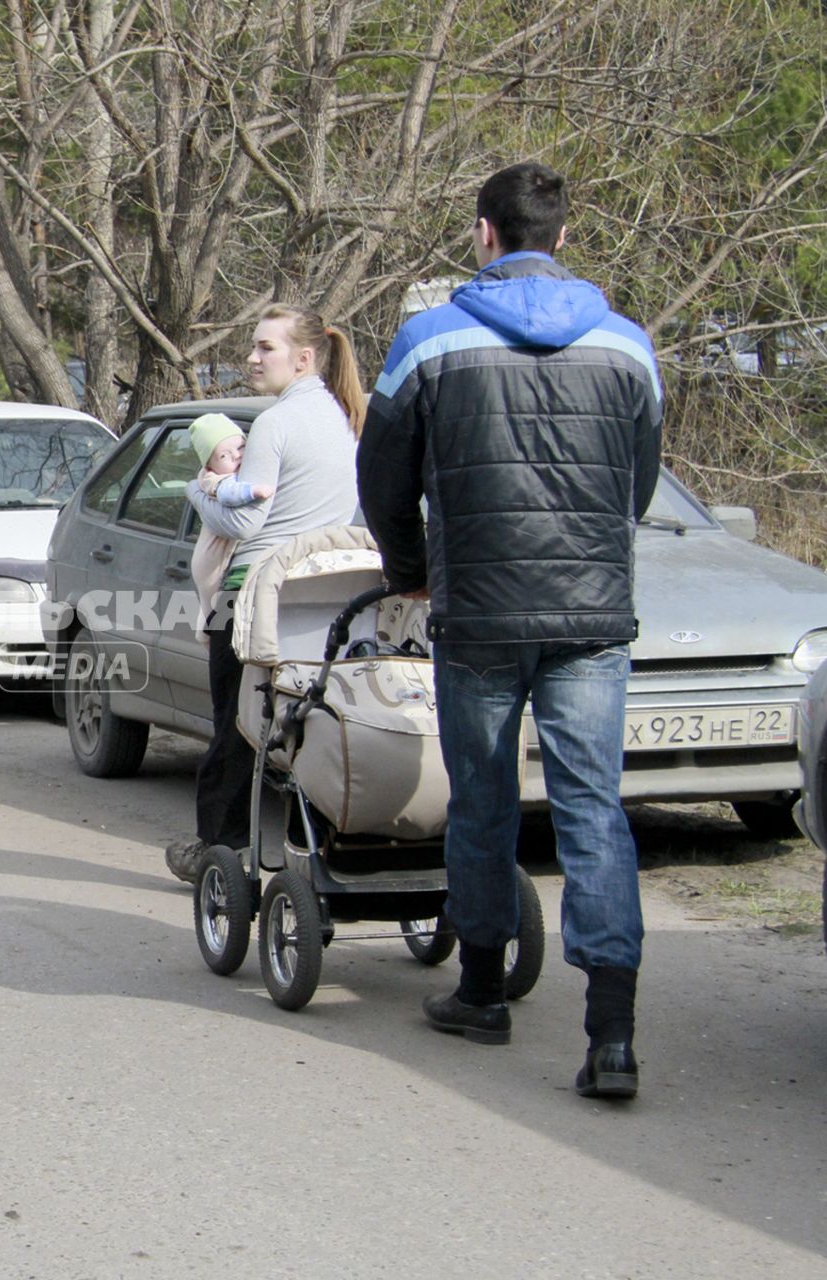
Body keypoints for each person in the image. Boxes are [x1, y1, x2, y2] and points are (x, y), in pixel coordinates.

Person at [357, 162, 662, 1100]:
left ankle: (482, 993)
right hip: (590, 613)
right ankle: (611, 1037)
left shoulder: (427, 341)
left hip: (480, 610)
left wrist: (411, 568)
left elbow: (383, 477)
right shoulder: (627, 345)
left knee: (484, 801)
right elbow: (637, 485)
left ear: (483, 235)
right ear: (562, 238)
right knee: (592, 812)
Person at [164, 304, 364, 881]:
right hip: (320, 596)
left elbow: (247, 523)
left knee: (236, 722)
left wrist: (198, 493)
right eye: (252, 346)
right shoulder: (345, 415)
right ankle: (315, 851)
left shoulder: (276, 423)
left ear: (304, 358)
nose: (251, 358)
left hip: (251, 593)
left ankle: (219, 854)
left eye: (265, 348)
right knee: (308, 726)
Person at [183, 412, 274, 640]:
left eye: (241, 447)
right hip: (210, 556)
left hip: (219, 549)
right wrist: (254, 491)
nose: (236, 456)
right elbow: (228, 495)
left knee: (212, 610)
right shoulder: (212, 479)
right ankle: (207, 634)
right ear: (210, 464)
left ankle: (207, 631)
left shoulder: (232, 470)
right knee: (213, 605)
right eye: (224, 455)